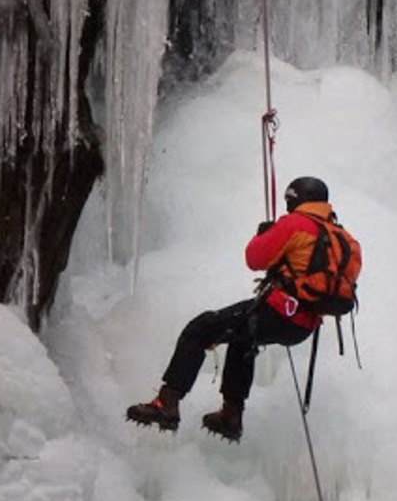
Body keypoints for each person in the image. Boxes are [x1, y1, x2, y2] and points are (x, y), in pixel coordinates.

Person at [126, 176, 335, 442]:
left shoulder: (296, 224)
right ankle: (231, 415)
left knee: (201, 328)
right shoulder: (340, 237)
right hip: (304, 326)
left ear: (296, 200)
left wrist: (266, 234)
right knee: (243, 339)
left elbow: (254, 258)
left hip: (278, 312)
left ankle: (167, 403)